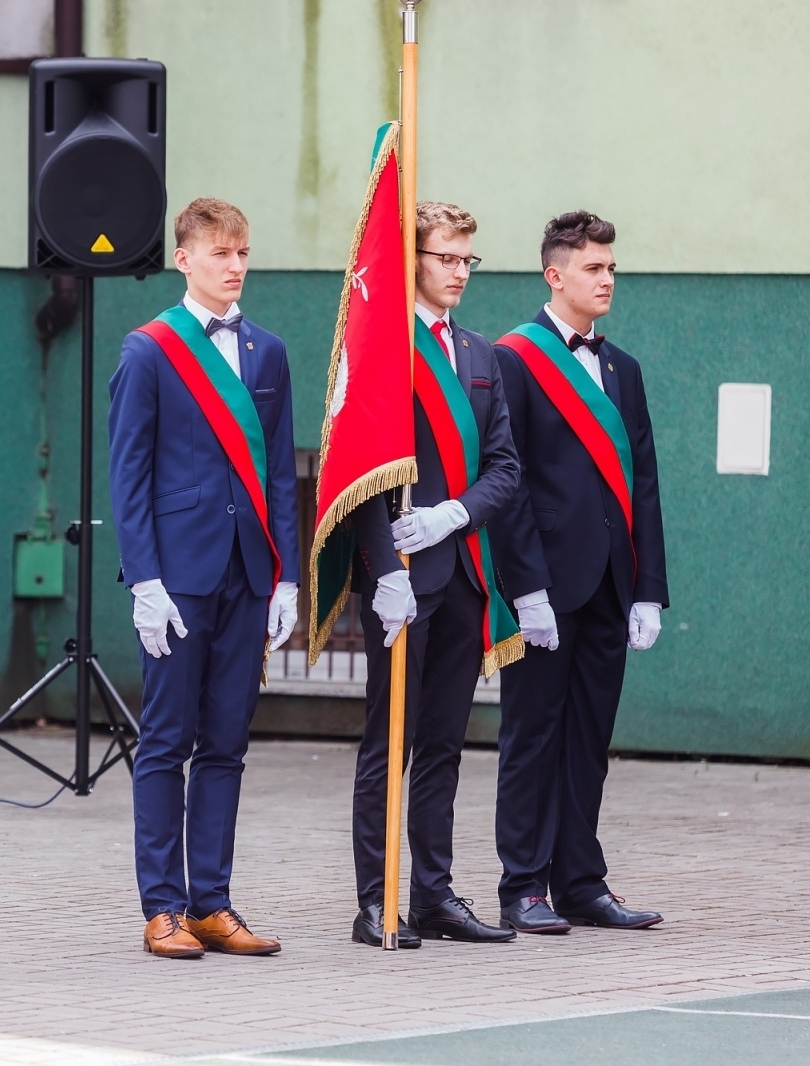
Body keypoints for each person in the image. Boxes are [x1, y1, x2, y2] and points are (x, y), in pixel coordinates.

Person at [107, 197, 301, 959]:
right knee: (165, 742)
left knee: (226, 743)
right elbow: (129, 473)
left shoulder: (268, 352)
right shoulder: (149, 350)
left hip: (248, 570)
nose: (236, 267)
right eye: (220, 253)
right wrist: (142, 581)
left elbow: (281, 473)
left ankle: (212, 903)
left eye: (243, 252)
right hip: (178, 576)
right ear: (184, 259)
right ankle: (163, 906)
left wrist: (284, 578)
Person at [489, 210, 670, 934]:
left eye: (612, 269)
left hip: (609, 583)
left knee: (589, 738)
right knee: (532, 734)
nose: (607, 280)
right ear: (554, 275)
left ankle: (581, 881)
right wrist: (524, 585)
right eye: (594, 269)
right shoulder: (513, 358)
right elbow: (510, 482)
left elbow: (645, 483)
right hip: (545, 584)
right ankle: (523, 885)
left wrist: (649, 589)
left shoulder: (622, 368)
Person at [348, 201, 522, 949]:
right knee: (391, 742)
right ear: (412, 259)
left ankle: (434, 893)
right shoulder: (382, 345)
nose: (458, 272)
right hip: (403, 580)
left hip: (462, 570)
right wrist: (383, 569)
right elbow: (355, 470)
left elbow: (507, 468)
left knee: (445, 744)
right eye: (445, 257)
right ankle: (375, 902)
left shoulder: (481, 356)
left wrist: (454, 515)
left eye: (466, 260)